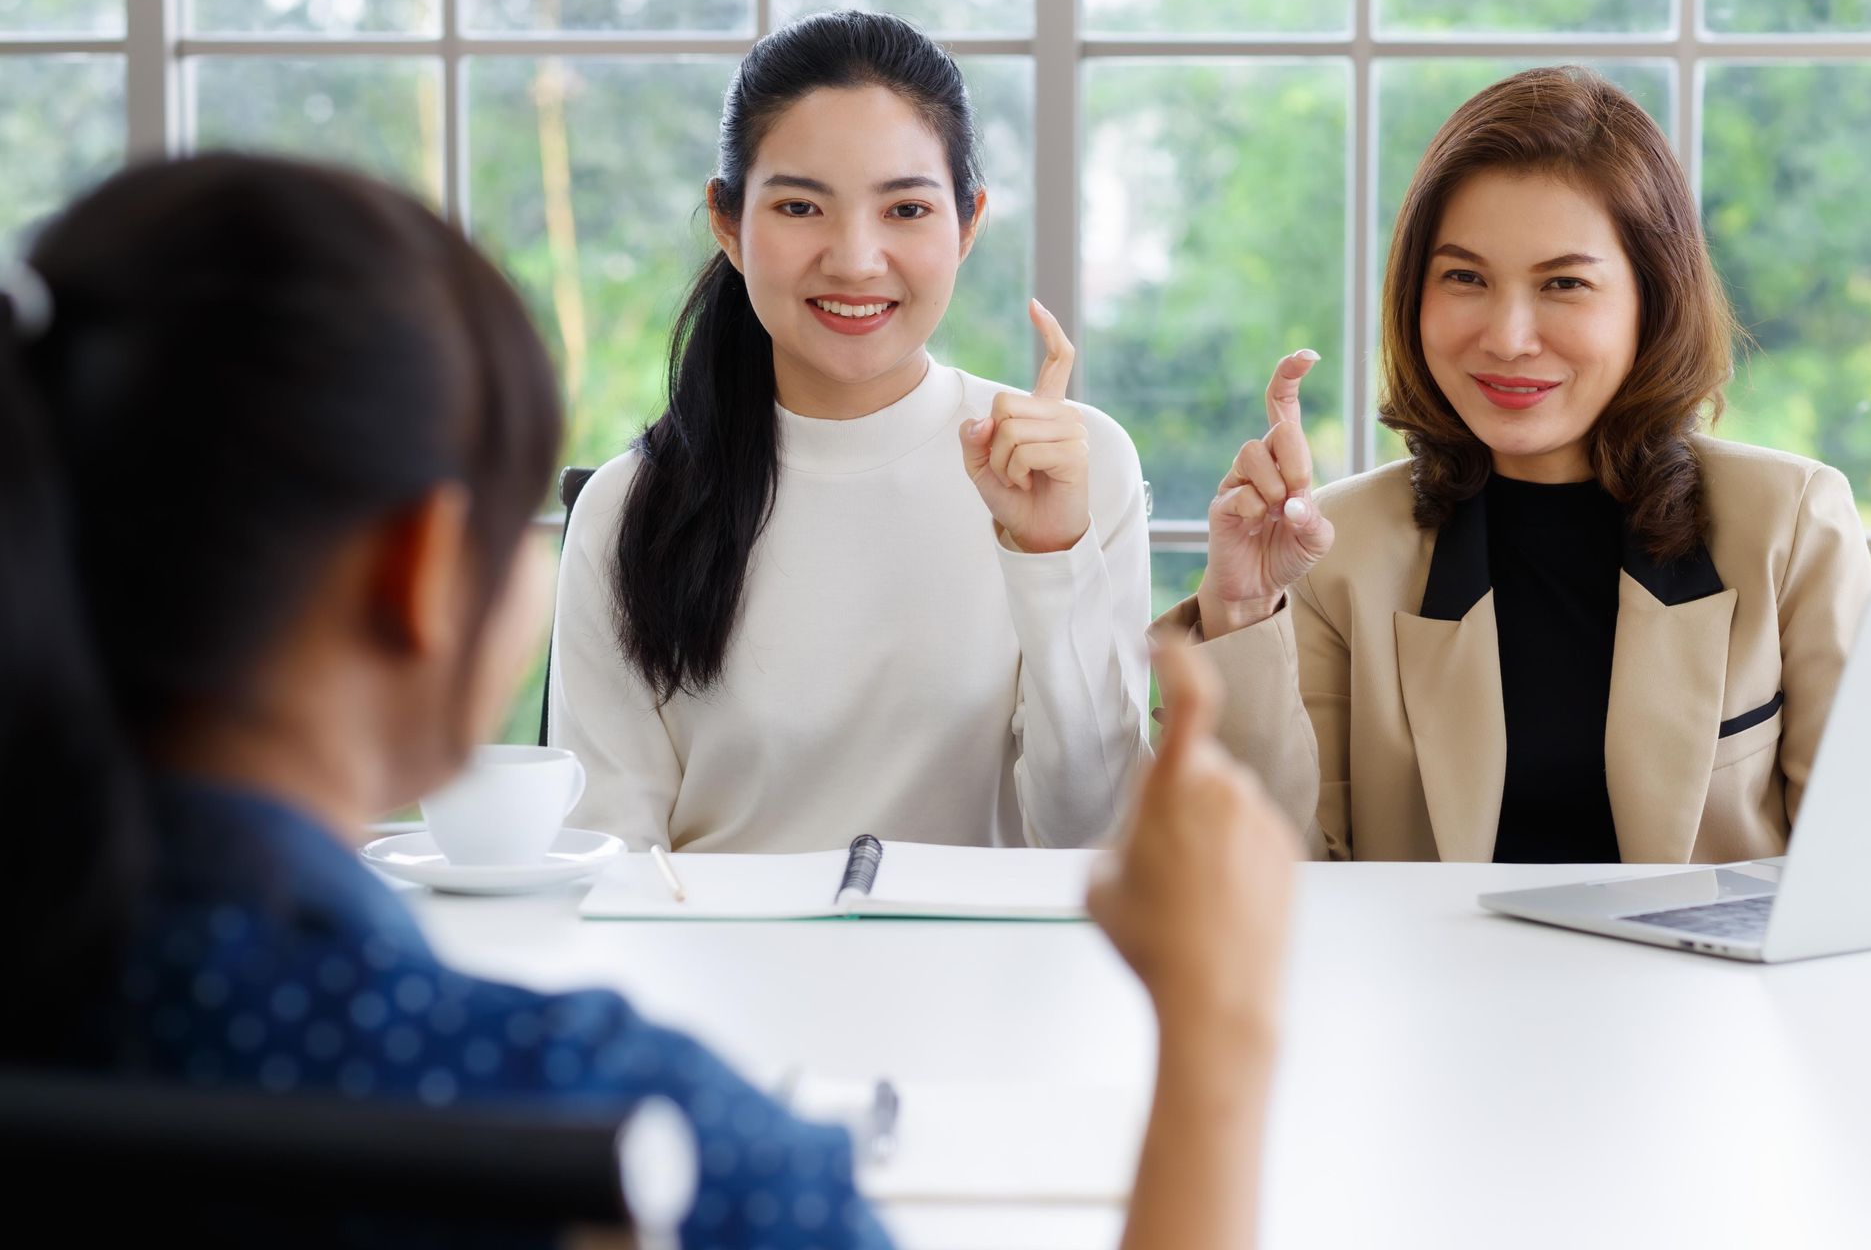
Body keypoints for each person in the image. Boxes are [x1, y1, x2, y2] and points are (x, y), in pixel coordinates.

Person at [0, 152, 1295, 1248]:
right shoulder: (606, 1121)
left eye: (905, 206)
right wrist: (1220, 1033)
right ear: (415, 574)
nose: (855, 253)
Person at [1161, 66, 1871, 864]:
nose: (1507, 336)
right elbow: (1264, 885)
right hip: (1428, 989)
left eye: (1564, 283)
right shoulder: (1336, 553)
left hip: (1708, 989)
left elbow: (1864, 872)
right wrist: (1241, 610)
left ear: (1653, 298)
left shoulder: (1790, 523)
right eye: (1464, 277)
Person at [548, 11, 1150, 853]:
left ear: (968, 223)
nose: (856, 259)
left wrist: (1050, 557)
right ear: (728, 224)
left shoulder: (1075, 468)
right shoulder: (629, 507)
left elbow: (1096, 838)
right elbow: (604, 856)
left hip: (983, 979)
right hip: (707, 977)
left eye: (905, 208)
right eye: (800, 206)